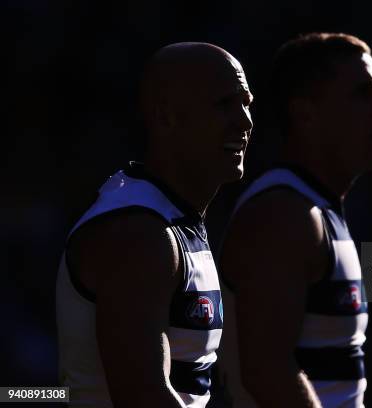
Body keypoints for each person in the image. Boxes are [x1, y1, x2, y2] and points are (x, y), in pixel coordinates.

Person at [56, 42, 254, 407]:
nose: (244, 121)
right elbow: (144, 397)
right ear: (166, 118)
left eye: (246, 103)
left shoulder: (170, 218)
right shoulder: (140, 233)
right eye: (224, 104)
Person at [219, 33, 372, 408]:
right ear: (305, 114)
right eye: (364, 93)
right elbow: (266, 371)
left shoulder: (315, 209)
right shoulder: (283, 215)